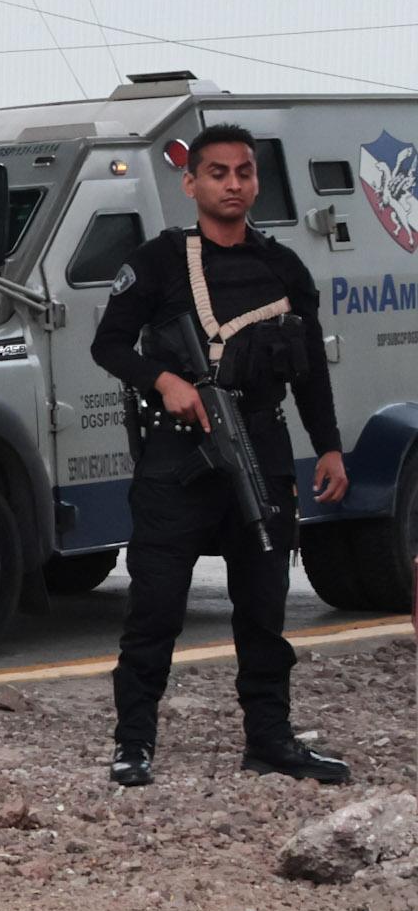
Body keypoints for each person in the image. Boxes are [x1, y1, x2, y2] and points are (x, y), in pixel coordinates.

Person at [90, 123, 351, 790]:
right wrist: (165, 380)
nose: (233, 185)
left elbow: (311, 367)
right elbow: (110, 344)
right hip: (178, 458)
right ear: (192, 184)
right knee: (155, 608)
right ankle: (134, 743)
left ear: (256, 181)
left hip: (260, 444)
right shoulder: (158, 262)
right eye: (219, 174)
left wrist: (328, 447)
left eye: (244, 173)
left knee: (265, 606)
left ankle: (270, 740)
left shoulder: (282, 267)